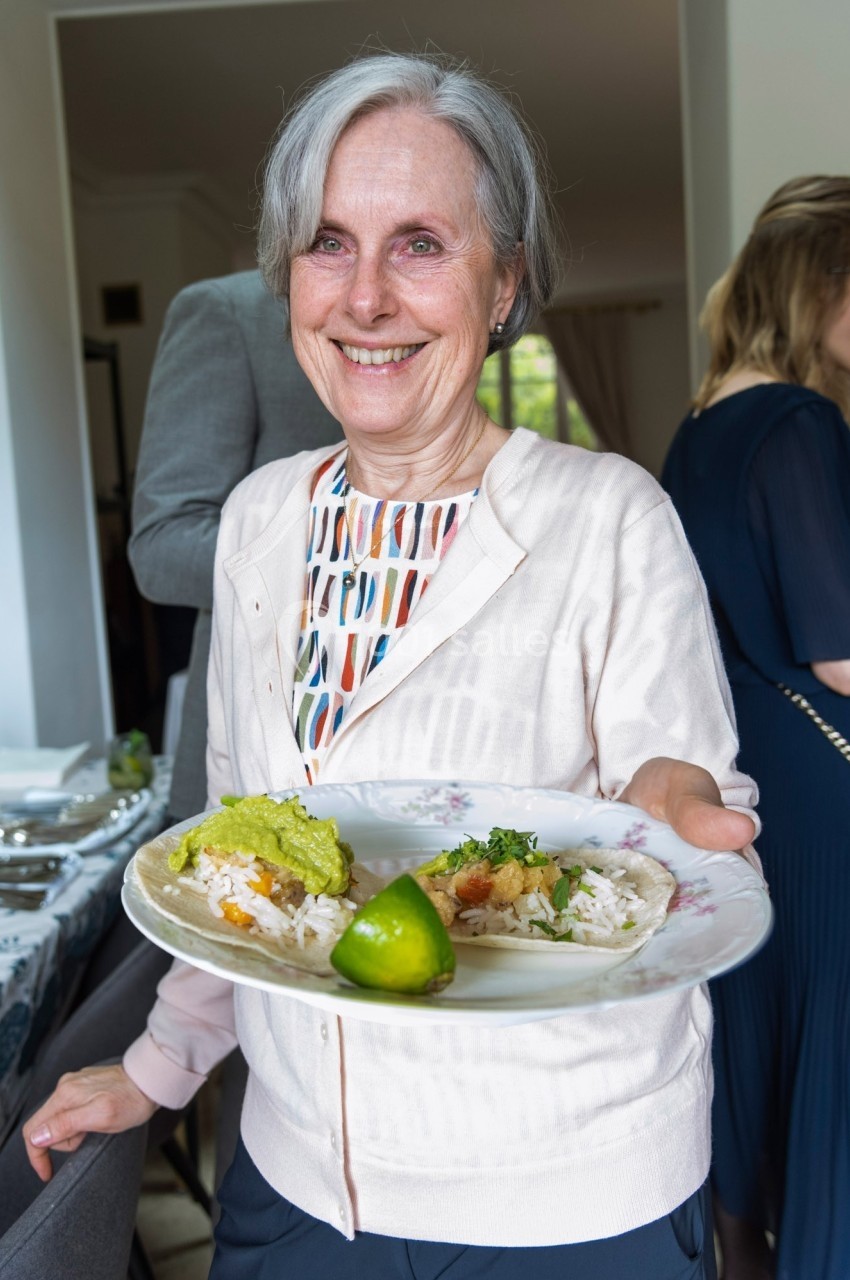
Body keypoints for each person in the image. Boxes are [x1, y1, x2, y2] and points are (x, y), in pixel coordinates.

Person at [24, 53, 761, 1279]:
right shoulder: (260, 520)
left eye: (418, 242)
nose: (365, 295)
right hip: (301, 1176)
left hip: (568, 1196)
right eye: (326, 242)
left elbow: (677, 783)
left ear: (504, 281)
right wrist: (158, 1069)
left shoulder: (609, 516)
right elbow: (241, 850)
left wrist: (676, 803)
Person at [662, 176, 850, 1280]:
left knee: (767, 1017)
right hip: (825, 782)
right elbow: (840, 647)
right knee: (833, 1035)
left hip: (754, 776)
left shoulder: (700, 428)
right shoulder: (796, 419)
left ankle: (756, 1241)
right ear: (817, 288)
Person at [128, 269, 341, 821]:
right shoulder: (229, 312)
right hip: (251, 756)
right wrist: (362, 561)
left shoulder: (434, 303)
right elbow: (163, 546)